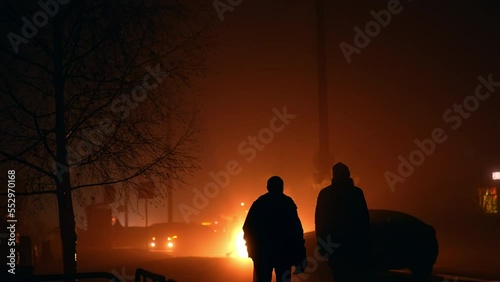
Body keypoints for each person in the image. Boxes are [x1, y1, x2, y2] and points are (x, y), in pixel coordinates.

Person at [315, 162, 371, 282]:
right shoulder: (356, 193)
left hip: (335, 246)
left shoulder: (326, 194)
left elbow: (320, 222)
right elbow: (364, 220)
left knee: (340, 276)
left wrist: (322, 246)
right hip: (355, 245)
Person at [243, 176, 306, 282]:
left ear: (268, 187)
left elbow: (248, 227)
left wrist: (252, 249)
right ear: (282, 187)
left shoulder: (260, 203)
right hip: (284, 253)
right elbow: (297, 230)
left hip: (263, 253)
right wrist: (300, 254)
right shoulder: (287, 203)